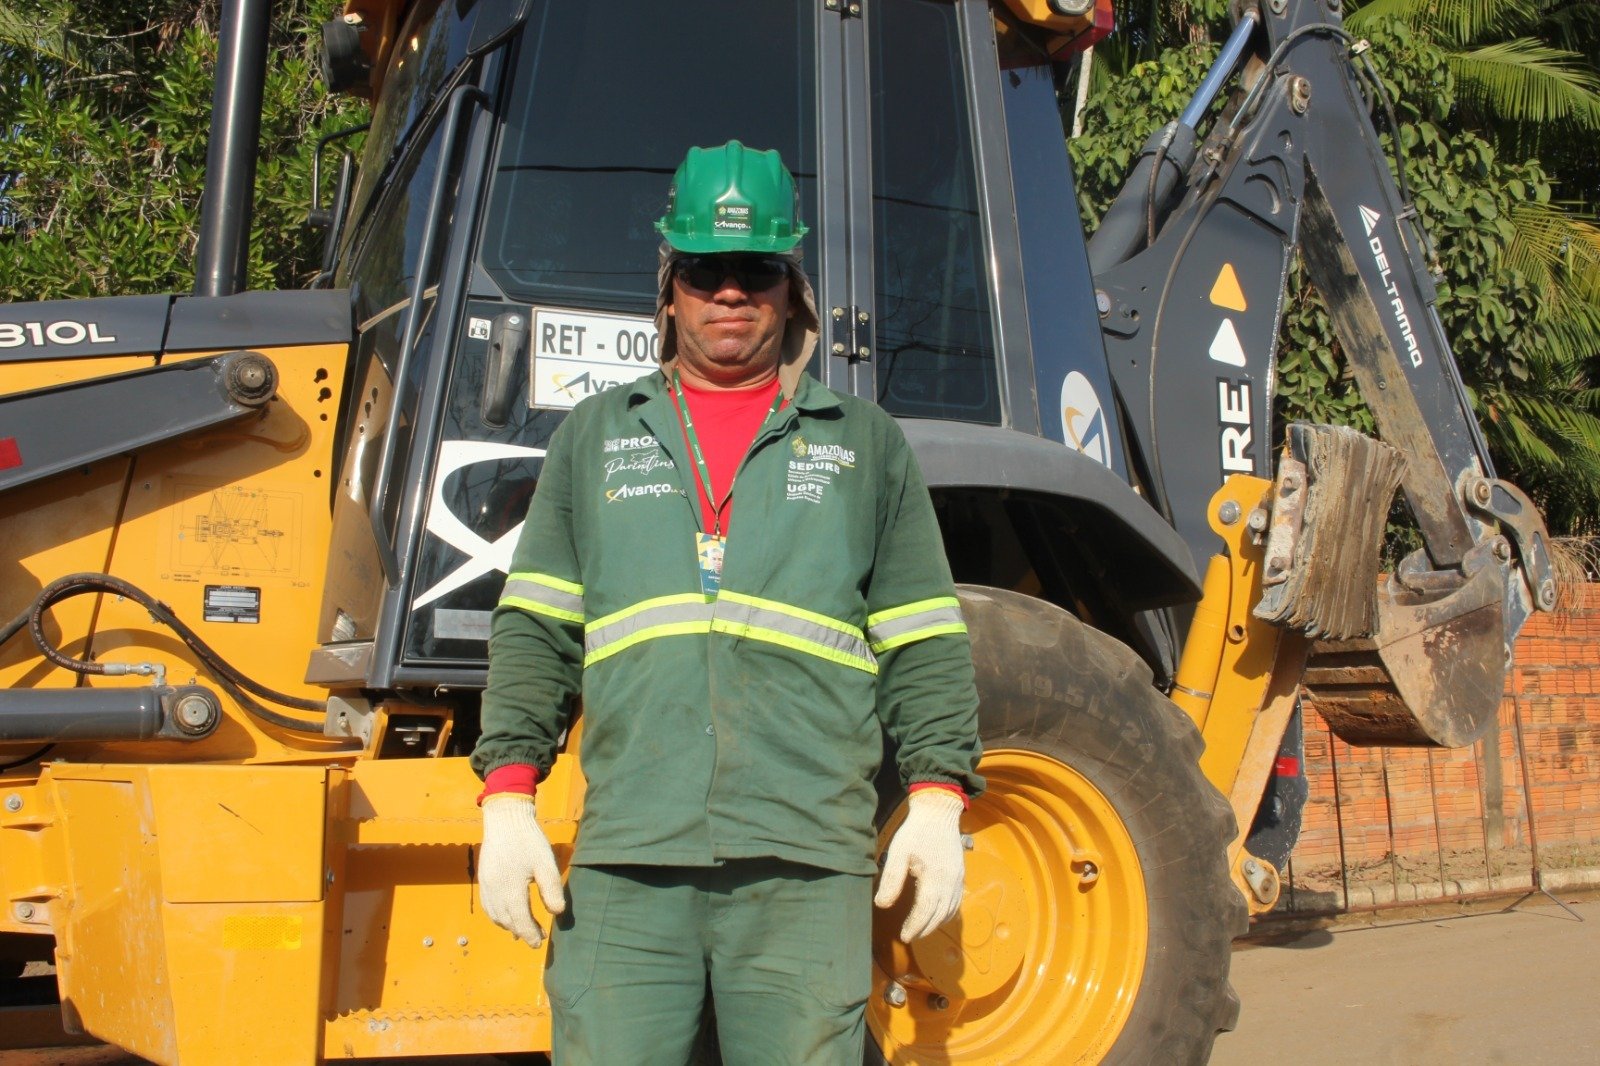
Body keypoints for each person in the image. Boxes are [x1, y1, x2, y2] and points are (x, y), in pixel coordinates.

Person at [471, 140, 982, 1065]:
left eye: (756, 271)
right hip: (632, 858)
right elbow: (536, 628)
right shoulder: (595, 437)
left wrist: (940, 800)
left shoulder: (865, 446)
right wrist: (507, 795)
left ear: (792, 290)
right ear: (670, 288)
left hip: (805, 858)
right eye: (707, 272)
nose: (732, 294)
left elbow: (924, 638)